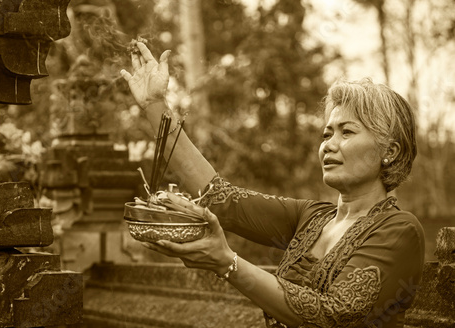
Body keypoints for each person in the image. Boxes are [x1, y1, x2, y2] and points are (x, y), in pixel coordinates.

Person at [120, 42, 425, 328]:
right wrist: (154, 106)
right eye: (326, 134)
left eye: (347, 132)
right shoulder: (313, 218)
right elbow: (220, 198)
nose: (329, 145)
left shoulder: (399, 230)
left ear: (390, 151)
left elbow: (331, 315)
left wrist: (227, 263)